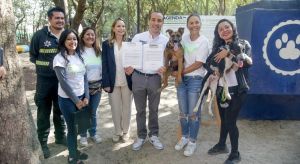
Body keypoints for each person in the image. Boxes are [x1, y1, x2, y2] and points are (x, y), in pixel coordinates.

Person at [206, 19, 252, 164]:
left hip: (238, 90)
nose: (224, 30)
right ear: (218, 33)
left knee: (231, 121)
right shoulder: (217, 47)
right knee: (224, 119)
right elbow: (208, 64)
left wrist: (229, 53)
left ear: (232, 28)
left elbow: (245, 63)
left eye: (227, 27)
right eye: (221, 29)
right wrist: (214, 71)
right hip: (221, 89)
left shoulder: (243, 44)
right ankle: (221, 145)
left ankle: (235, 154)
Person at [127, 12, 168, 151]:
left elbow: (168, 61)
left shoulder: (165, 40)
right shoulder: (138, 37)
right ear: (149, 21)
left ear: (162, 23)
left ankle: (154, 135)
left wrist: (165, 68)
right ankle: (141, 136)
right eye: (154, 20)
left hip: (155, 79)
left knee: (154, 109)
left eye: (159, 20)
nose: (156, 23)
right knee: (139, 110)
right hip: (138, 77)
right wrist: (128, 66)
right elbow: (131, 56)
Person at [29, 6, 66, 158]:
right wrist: (48, 67)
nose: (60, 21)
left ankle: (60, 136)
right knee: (43, 112)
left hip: (63, 81)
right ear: (50, 19)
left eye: (62, 18)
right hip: (44, 82)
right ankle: (42, 143)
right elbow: (33, 56)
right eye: (57, 18)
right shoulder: (39, 36)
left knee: (60, 110)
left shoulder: (68, 35)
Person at [172, 14, 209, 157]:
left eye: (196, 22)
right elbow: (176, 56)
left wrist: (179, 73)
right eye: (191, 23)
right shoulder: (183, 39)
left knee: (193, 113)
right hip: (181, 80)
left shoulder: (204, 41)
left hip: (195, 79)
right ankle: (184, 137)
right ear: (187, 25)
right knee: (182, 112)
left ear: (200, 24)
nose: (194, 25)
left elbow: (199, 63)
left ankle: (192, 141)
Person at [53, 29, 89, 164]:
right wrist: (77, 101)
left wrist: (86, 97)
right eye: (69, 39)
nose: (72, 41)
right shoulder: (59, 58)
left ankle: (74, 149)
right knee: (72, 128)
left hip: (81, 98)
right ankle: (73, 157)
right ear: (63, 41)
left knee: (81, 126)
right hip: (67, 100)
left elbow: (85, 78)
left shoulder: (80, 56)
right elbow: (63, 83)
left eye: (74, 39)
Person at [102, 18, 133, 143]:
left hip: (127, 81)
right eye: (118, 26)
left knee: (127, 107)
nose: (121, 29)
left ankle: (126, 131)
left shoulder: (130, 43)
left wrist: (133, 68)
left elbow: (135, 61)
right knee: (115, 108)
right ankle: (117, 131)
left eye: (123, 26)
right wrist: (105, 83)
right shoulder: (107, 44)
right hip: (113, 82)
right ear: (113, 28)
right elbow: (104, 64)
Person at [79, 27, 103, 146]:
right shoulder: (79, 51)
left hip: (97, 86)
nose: (90, 37)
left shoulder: (99, 51)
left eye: (92, 35)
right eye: (87, 34)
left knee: (93, 111)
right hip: (84, 86)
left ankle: (93, 133)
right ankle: (83, 136)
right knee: (84, 111)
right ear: (82, 37)